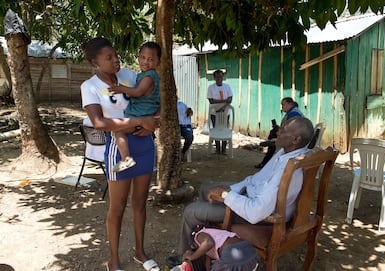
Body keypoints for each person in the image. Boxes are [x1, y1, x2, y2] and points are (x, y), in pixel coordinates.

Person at [167, 117, 314, 266]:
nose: (279, 131)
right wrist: (232, 190)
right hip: (253, 198)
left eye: (284, 130)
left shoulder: (287, 169)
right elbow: (257, 179)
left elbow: (256, 211)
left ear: (296, 139)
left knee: (191, 212)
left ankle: (187, 258)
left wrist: (225, 195)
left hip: (259, 216)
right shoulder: (287, 153)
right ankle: (204, 248)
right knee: (207, 187)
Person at [81, 37, 160, 271]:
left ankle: (140, 252)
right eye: (109, 58)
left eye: (116, 55)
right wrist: (139, 121)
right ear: (95, 62)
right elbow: (99, 122)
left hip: (144, 144)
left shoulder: (128, 75)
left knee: (140, 203)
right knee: (118, 206)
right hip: (119, 149)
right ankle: (114, 260)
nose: (116, 60)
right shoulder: (90, 86)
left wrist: (154, 121)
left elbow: (152, 97)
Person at [108, 41, 161, 172]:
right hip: (145, 116)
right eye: (142, 57)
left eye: (150, 59)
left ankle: (126, 158)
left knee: (118, 130)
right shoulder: (143, 75)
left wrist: (121, 89)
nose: (145, 62)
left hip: (140, 116)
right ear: (138, 57)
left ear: (157, 62)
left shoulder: (150, 76)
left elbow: (138, 92)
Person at [178, 226, 259, 271]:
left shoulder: (198, 235)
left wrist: (192, 256)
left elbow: (208, 243)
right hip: (250, 253)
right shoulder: (216, 233)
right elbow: (208, 263)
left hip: (233, 254)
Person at [254, 97, 303, 169]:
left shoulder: (294, 114)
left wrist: (278, 138)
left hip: (295, 139)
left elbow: (291, 131)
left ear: (289, 104)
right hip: (293, 136)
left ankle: (267, 159)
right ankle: (267, 159)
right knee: (273, 132)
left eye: (283, 104)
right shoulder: (291, 112)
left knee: (273, 135)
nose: (282, 107)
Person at [207, 69, 233, 155]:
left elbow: (230, 99)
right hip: (214, 113)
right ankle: (217, 149)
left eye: (221, 76)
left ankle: (224, 149)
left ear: (223, 77)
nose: (219, 78)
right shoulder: (211, 88)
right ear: (214, 78)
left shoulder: (227, 87)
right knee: (216, 129)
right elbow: (211, 101)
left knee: (225, 129)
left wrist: (223, 105)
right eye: (217, 76)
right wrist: (224, 102)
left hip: (226, 113)